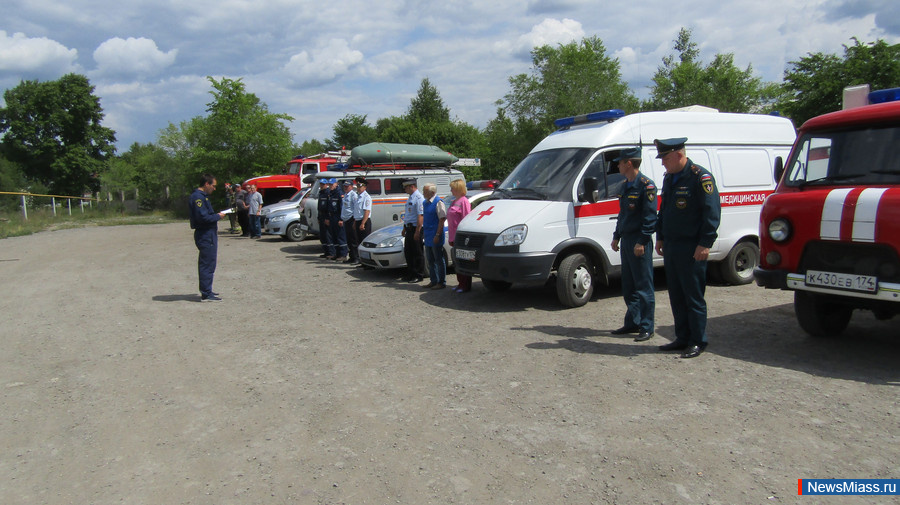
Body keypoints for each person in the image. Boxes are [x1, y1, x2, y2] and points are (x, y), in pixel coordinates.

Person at [654, 137, 721, 359]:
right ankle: (682, 337)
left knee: (693, 295)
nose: (662, 162)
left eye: (665, 157)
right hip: (673, 245)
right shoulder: (670, 178)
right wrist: (661, 236)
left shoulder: (699, 177)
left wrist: (705, 243)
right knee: (676, 294)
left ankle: (697, 340)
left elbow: (711, 213)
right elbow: (664, 210)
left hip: (692, 246)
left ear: (678, 154)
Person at [610, 147, 657, 342]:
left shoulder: (646, 186)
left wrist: (643, 241)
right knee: (628, 285)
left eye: (620, 162)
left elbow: (650, 217)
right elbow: (623, 215)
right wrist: (616, 236)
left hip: (639, 240)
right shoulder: (625, 186)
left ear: (629, 163)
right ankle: (633, 322)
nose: (618, 165)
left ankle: (646, 326)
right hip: (627, 239)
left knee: (643, 286)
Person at [189, 174, 225, 301]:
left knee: (210, 263)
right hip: (205, 234)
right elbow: (203, 217)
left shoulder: (203, 197)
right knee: (207, 263)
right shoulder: (198, 198)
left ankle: (207, 290)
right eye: (213, 186)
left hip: (208, 233)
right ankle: (206, 293)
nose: (214, 189)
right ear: (206, 184)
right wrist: (218, 216)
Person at [446, 178, 472, 293]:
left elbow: (466, 219)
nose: (451, 190)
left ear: (458, 189)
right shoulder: (453, 201)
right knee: (456, 262)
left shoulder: (464, 201)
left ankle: (465, 285)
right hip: (453, 236)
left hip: (460, 237)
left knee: (463, 261)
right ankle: (460, 283)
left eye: (452, 188)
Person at [421, 182, 447, 289]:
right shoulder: (425, 202)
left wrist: (437, 234)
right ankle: (433, 280)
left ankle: (441, 282)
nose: (423, 193)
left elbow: (442, 219)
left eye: (425, 191)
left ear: (432, 192)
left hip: (435, 234)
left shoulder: (438, 202)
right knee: (430, 260)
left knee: (438, 260)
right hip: (427, 235)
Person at [401, 178, 426, 283]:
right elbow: (408, 215)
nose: (405, 190)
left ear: (411, 186)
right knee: (408, 252)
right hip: (409, 228)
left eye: (406, 187)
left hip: (416, 228)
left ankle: (419, 274)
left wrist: (417, 231)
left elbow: (420, 215)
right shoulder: (411, 197)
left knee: (417, 253)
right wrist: (404, 227)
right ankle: (411, 273)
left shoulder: (419, 198)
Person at [338, 180, 358, 263]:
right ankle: (351, 257)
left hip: (351, 219)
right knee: (348, 240)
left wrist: (354, 220)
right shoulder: (346, 195)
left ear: (351, 186)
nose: (345, 188)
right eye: (344, 186)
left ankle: (356, 258)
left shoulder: (353, 195)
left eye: (347, 186)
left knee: (353, 240)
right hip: (346, 219)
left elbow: (355, 208)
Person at [328, 178, 348, 261]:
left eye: (332, 184)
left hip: (338, 216)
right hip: (332, 217)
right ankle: (337, 254)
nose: (330, 186)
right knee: (334, 236)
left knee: (341, 236)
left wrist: (341, 219)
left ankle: (343, 254)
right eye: (329, 185)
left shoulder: (339, 193)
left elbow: (342, 207)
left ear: (336, 184)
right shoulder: (331, 193)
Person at [318, 179, 335, 259]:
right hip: (321, 216)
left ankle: (331, 252)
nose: (321, 185)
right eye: (321, 184)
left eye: (323, 184)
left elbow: (329, 207)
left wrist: (328, 218)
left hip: (326, 216)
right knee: (323, 235)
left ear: (326, 185)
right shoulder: (321, 193)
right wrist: (318, 217)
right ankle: (326, 252)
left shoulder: (328, 193)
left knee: (328, 235)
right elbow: (319, 207)